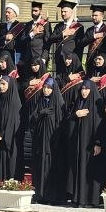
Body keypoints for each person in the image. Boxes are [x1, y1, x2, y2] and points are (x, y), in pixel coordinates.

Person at [27, 75, 65, 204]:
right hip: (40, 141)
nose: (46, 90)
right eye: (44, 87)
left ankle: (51, 196)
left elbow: (61, 122)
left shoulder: (58, 102)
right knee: (39, 166)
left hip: (53, 142)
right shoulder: (40, 101)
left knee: (51, 167)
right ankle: (40, 194)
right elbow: (32, 119)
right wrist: (41, 113)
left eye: (49, 88)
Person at [65, 74, 101, 207]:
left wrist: (98, 143)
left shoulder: (97, 104)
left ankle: (89, 199)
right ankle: (78, 198)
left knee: (89, 170)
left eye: (87, 89)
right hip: (79, 143)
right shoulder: (78, 102)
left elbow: (99, 125)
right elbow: (68, 121)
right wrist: (76, 114)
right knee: (79, 168)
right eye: (82, 89)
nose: (84, 92)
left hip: (90, 144)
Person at [81, 4, 106, 70]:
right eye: (93, 15)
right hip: (91, 60)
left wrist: (105, 59)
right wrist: (94, 36)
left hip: (102, 61)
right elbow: (82, 42)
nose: (94, 17)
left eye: (96, 15)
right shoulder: (89, 30)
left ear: (102, 16)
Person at [52, 0, 82, 64]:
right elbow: (51, 39)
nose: (63, 14)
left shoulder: (78, 27)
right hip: (59, 58)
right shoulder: (58, 26)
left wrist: (74, 58)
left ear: (71, 12)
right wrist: (62, 34)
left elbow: (79, 45)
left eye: (65, 12)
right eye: (62, 12)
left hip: (70, 59)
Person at [23, 1, 50, 66]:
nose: (33, 13)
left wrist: (44, 58)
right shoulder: (28, 24)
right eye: (32, 10)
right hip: (28, 58)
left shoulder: (45, 24)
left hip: (39, 57)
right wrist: (33, 33)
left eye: (35, 11)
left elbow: (48, 42)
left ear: (40, 11)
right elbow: (23, 39)